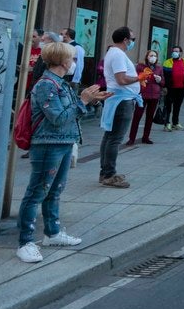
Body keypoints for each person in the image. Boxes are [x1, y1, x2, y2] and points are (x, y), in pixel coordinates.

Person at [16, 41, 112, 263]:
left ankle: (52, 233)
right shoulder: (47, 85)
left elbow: (71, 114)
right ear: (62, 61)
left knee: (55, 190)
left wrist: (90, 101)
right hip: (48, 144)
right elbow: (58, 118)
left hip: (63, 143)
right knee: (37, 192)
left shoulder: (61, 83)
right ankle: (25, 242)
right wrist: (83, 101)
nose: (75, 63)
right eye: (72, 58)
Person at [98, 27, 144, 188]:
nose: (133, 42)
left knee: (109, 137)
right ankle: (109, 174)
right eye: (132, 39)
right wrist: (139, 78)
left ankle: (105, 172)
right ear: (125, 40)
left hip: (119, 99)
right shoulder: (117, 54)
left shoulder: (114, 53)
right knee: (114, 138)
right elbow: (122, 79)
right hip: (122, 101)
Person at [127, 48, 164, 145]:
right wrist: (141, 80)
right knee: (137, 116)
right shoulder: (140, 66)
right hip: (142, 95)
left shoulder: (159, 68)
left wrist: (159, 80)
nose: (153, 58)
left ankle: (146, 137)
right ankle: (132, 138)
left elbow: (163, 83)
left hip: (154, 96)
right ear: (147, 57)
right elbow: (135, 78)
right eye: (151, 55)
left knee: (150, 117)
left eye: (155, 56)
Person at [162, 46, 184, 131]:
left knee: (177, 106)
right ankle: (167, 123)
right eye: (173, 51)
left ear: (181, 53)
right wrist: (165, 87)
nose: (175, 53)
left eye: (177, 51)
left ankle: (175, 123)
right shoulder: (167, 62)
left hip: (181, 88)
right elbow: (164, 76)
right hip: (170, 88)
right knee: (168, 106)